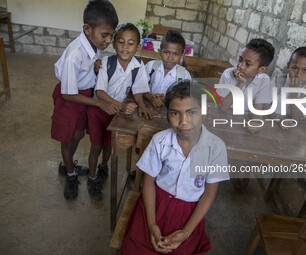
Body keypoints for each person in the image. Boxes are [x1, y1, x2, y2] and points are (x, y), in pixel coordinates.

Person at [121, 80, 229, 254]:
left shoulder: (216, 148)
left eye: (192, 112)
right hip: (156, 204)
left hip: (188, 213)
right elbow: (148, 183)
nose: (184, 121)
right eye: (175, 113)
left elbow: (209, 194)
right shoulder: (160, 141)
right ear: (167, 115)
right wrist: (151, 225)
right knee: (136, 247)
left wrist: (186, 232)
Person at [51, 0, 119, 200]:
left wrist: (95, 67)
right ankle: (70, 174)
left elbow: (86, 68)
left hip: (83, 95)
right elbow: (67, 94)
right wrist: (99, 102)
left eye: (111, 36)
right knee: (68, 137)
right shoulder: (75, 53)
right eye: (104, 35)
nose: (108, 41)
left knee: (79, 134)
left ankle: (67, 163)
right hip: (71, 97)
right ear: (87, 29)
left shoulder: (93, 43)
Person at [86, 23, 151, 200]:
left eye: (131, 43)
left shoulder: (138, 65)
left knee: (109, 144)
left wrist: (142, 104)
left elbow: (138, 89)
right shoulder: (107, 63)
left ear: (138, 47)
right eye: (121, 42)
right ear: (114, 44)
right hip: (99, 111)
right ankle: (92, 178)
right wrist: (121, 106)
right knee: (96, 146)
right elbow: (99, 92)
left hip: (114, 114)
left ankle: (103, 166)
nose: (125, 47)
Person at [217, 38, 275, 133]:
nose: (241, 66)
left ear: (262, 70)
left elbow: (258, 110)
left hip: (243, 120)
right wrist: (240, 83)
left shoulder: (264, 80)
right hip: (222, 118)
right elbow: (223, 108)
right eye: (240, 60)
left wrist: (256, 123)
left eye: (248, 64)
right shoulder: (228, 74)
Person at [267, 47, 306, 129]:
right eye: (295, 68)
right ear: (288, 66)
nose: (298, 74)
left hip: (289, 128)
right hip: (270, 120)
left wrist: (294, 91)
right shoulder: (278, 81)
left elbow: (296, 118)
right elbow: (264, 105)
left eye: (305, 70)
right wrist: (278, 119)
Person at [143, 29, 191, 107]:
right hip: (148, 106)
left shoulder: (184, 75)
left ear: (182, 55)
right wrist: (151, 97)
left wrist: (168, 98)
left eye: (175, 54)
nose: (170, 58)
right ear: (160, 52)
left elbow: (186, 99)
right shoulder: (151, 66)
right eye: (166, 52)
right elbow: (139, 87)